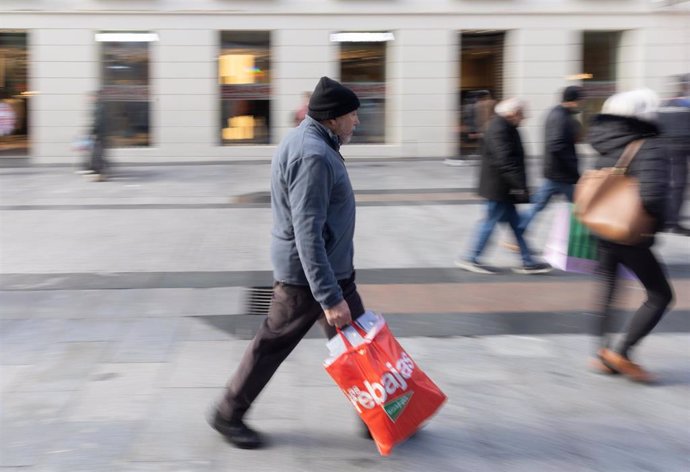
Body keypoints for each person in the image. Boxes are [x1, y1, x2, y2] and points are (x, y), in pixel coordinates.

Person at [210, 76, 364, 449]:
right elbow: (306, 233)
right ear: (332, 119)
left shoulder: (310, 139)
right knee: (273, 345)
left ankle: (381, 411)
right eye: (351, 116)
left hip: (329, 271)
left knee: (359, 344)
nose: (356, 122)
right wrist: (328, 297)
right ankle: (228, 414)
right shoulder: (313, 155)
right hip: (309, 279)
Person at [586, 88, 674, 384]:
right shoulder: (648, 146)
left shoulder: (603, 139)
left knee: (609, 288)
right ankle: (622, 353)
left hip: (602, 225)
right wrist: (658, 223)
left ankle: (602, 352)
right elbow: (653, 195)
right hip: (630, 231)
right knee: (660, 295)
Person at [455, 97, 552, 275]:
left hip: (503, 187)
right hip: (498, 188)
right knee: (489, 223)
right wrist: (520, 186)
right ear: (513, 113)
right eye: (522, 115)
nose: (524, 119)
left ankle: (527, 261)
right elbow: (505, 161)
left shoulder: (505, 126)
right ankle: (471, 257)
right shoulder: (499, 128)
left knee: (514, 225)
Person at [519, 85, 584, 235]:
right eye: (580, 100)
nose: (582, 103)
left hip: (556, 172)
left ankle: (518, 231)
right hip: (561, 174)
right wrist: (573, 168)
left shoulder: (557, 114)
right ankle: (590, 241)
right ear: (572, 100)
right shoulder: (560, 117)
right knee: (581, 206)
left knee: (538, 205)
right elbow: (557, 145)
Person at [658, 74, 690, 235]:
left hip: (664, 148)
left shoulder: (663, 105)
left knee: (666, 184)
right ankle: (673, 222)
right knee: (678, 185)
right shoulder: (686, 104)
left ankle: (665, 220)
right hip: (680, 149)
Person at [86, 90, 108, 181]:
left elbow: (98, 122)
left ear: (96, 97)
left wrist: (93, 132)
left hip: (99, 135)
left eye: (92, 97)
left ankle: (99, 173)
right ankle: (99, 172)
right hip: (100, 134)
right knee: (98, 154)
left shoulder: (99, 107)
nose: (90, 99)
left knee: (97, 155)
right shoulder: (99, 106)